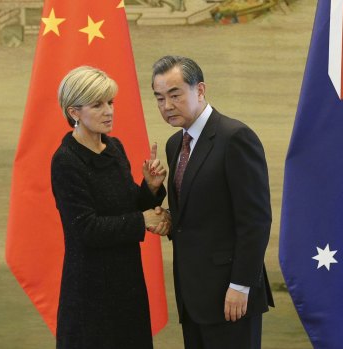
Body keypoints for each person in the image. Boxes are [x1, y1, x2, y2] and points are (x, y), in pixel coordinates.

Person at [151, 55, 274, 349]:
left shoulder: (235, 137)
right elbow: (198, 213)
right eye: (159, 98)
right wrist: (164, 211)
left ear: (201, 90)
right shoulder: (174, 144)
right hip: (193, 296)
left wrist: (241, 285)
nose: (166, 106)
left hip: (231, 294)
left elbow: (255, 220)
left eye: (175, 95)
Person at [50, 66, 170, 349]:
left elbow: (128, 206)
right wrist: (143, 221)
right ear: (74, 112)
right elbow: (86, 229)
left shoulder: (114, 147)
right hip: (90, 293)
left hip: (126, 283)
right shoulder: (66, 161)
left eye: (110, 102)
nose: (109, 111)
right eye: (97, 104)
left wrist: (150, 187)